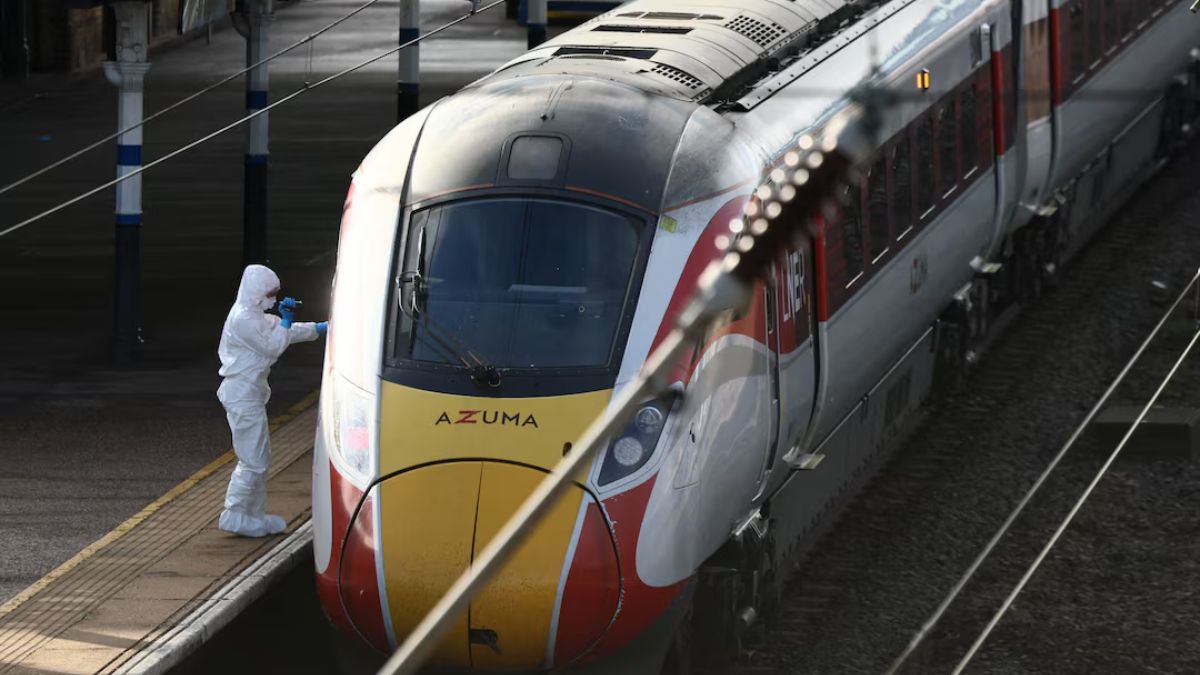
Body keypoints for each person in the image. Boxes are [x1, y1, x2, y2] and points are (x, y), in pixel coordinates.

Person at [217, 264, 327, 537]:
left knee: (260, 458)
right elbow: (273, 345)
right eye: (270, 293)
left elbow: (283, 331)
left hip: (249, 394)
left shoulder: (255, 316)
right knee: (252, 459)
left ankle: (252, 515)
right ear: (256, 292)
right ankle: (235, 514)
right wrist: (288, 321)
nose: (275, 299)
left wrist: (321, 328)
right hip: (242, 395)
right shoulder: (242, 319)